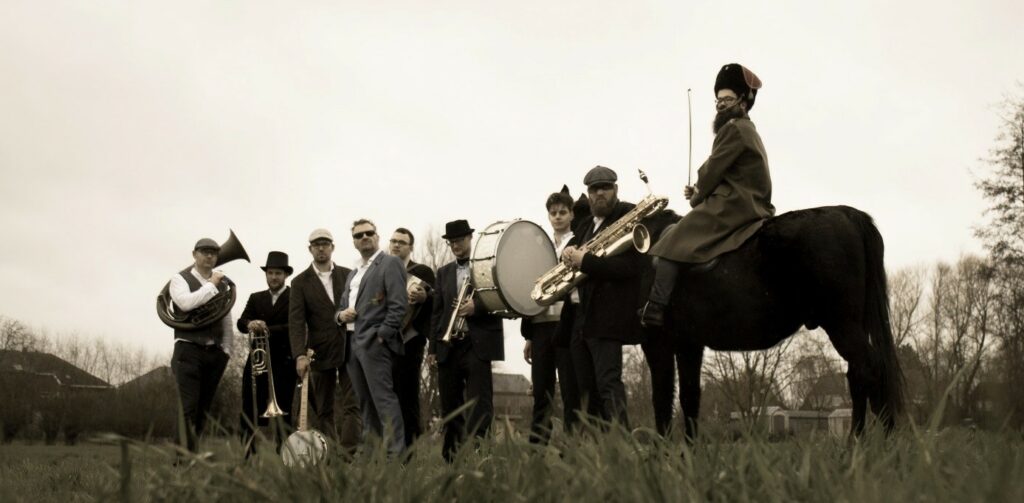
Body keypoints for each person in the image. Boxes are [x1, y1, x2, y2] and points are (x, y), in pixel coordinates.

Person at [641, 63, 775, 327]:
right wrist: (700, 190)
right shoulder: (749, 130)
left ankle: (656, 305)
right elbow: (729, 172)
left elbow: (712, 169)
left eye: (727, 99)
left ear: (743, 102)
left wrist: (697, 195)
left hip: (735, 205)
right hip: (750, 201)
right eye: (718, 100)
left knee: (673, 239)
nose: (721, 105)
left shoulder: (734, 128)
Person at [562, 167, 646, 428]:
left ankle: (622, 444)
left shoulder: (627, 215)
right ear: (588, 194)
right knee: (587, 390)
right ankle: (598, 447)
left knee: (609, 384)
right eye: (594, 189)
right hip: (580, 318)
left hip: (607, 316)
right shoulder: (585, 224)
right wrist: (568, 253)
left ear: (615, 190)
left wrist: (585, 261)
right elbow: (576, 254)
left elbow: (631, 267)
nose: (599, 193)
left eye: (605, 187)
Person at [428, 219, 504, 462]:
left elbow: (501, 298)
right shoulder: (443, 273)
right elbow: (437, 312)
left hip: (477, 343)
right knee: (450, 406)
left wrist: (476, 307)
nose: (455, 245)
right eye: (451, 242)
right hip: (449, 346)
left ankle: (483, 456)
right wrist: (432, 348)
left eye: (459, 240)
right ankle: (452, 459)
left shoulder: (487, 265)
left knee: (480, 404)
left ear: (471, 238)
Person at [336, 219, 409, 456]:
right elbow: (340, 308)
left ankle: (394, 458)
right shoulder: (353, 273)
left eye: (369, 233)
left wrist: (381, 335)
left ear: (377, 237)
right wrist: (340, 316)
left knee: (384, 401)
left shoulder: (390, 263)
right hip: (350, 345)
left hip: (374, 344)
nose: (364, 237)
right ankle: (370, 457)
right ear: (354, 242)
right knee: (365, 403)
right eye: (359, 235)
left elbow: (399, 305)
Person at [288, 228, 361, 453]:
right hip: (318, 351)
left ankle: (349, 455)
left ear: (332, 247)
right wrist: (299, 354)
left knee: (354, 404)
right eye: (316, 245)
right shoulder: (299, 282)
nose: (321, 248)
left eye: (325, 244)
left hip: (350, 347)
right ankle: (330, 455)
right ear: (310, 249)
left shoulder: (350, 275)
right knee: (323, 408)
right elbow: (296, 322)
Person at [520, 187, 581, 443]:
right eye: (553, 213)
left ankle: (572, 448)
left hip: (567, 323)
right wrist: (528, 335)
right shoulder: (540, 244)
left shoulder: (579, 240)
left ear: (571, 214)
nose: (557, 217)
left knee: (570, 389)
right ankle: (537, 448)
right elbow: (531, 288)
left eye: (562, 212)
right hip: (540, 325)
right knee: (541, 391)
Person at [168, 237, 235, 453]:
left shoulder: (223, 284)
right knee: (188, 407)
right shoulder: (179, 279)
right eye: (204, 252)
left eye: (213, 253)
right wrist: (211, 284)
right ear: (194, 255)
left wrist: (226, 350)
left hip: (214, 352)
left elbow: (226, 318)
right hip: (188, 350)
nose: (209, 256)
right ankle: (180, 458)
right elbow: (186, 303)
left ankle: (193, 456)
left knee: (203, 409)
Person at [237, 251, 295, 456]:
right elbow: (241, 322)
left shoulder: (295, 296)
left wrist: (267, 329)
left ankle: (285, 454)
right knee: (250, 405)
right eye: (270, 273)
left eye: (278, 273)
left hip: (284, 361)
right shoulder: (256, 297)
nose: (273, 277)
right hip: (257, 361)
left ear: (285, 275)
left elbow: (295, 326)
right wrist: (250, 323)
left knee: (284, 408)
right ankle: (248, 452)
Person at [389, 227, 435, 448]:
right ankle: (388, 449)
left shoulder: (422, 272)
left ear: (411, 247)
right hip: (384, 342)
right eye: (393, 241)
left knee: (407, 396)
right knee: (387, 397)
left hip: (410, 341)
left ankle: (409, 451)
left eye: (402, 242)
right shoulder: (382, 271)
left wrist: (426, 296)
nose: (396, 245)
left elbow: (437, 302)